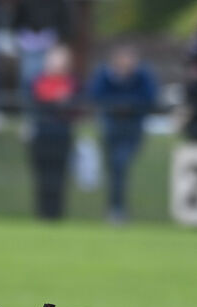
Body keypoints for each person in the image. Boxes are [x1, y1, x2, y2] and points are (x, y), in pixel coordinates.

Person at [88, 43, 158, 224]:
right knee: (114, 169)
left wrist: (128, 106)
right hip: (111, 128)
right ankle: (115, 208)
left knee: (120, 164)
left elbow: (150, 97)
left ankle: (117, 209)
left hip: (132, 129)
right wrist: (117, 106)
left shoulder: (142, 76)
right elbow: (96, 95)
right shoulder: (105, 76)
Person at [28, 44, 77, 220]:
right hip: (42, 135)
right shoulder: (38, 81)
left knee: (59, 178)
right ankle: (42, 214)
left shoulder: (72, 83)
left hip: (62, 136)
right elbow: (41, 102)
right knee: (42, 177)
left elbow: (73, 106)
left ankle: (56, 215)